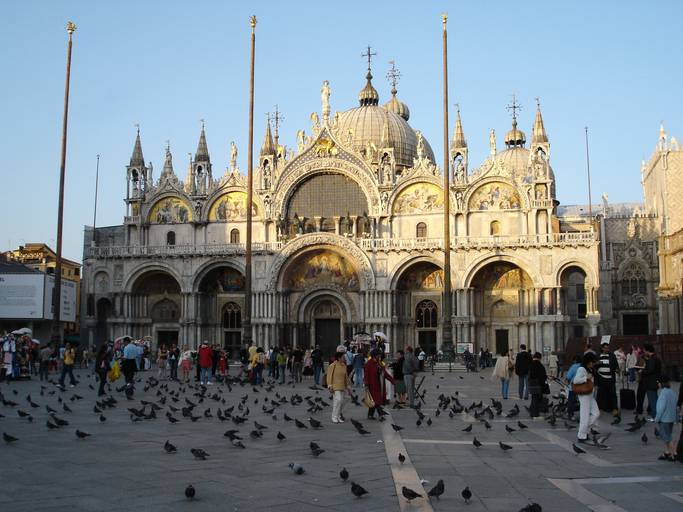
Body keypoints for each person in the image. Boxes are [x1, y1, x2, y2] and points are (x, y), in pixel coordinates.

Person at [574, 352, 600, 444]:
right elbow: (576, 380)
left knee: (596, 413)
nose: (593, 363)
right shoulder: (582, 369)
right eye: (592, 362)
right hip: (584, 395)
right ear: (588, 361)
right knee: (584, 416)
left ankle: (584, 430)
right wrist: (586, 378)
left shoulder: (590, 368)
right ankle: (581, 435)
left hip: (590, 394)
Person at [364, 348, 395, 419]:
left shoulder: (379, 363)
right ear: (375, 355)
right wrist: (366, 384)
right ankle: (381, 415)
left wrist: (392, 380)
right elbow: (366, 375)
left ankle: (370, 415)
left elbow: (385, 374)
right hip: (372, 385)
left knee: (374, 400)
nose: (379, 357)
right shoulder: (369, 364)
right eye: (378, 355)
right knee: (376, 401)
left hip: (380, 385)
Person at [596, 341, 621, 424]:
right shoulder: (598, 356)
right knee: (600, 393)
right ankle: (599, 407)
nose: (607, 349)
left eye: (608, 348)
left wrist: (617, 370)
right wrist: (597, 363)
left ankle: (614, 409)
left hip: (610, 378)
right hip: (601, 378)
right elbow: (593, 365)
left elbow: (616, 365)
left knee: (613, 393)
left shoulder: (612, 356)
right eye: (605, 348)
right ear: (602, 348)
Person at [654, 375, 678, 461]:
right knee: (668, 435)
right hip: (671, 418)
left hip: (664, 419)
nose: (657, 384)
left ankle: (674, 453)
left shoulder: (663, 393)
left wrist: (657, 418)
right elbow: (675, 405)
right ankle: (667, 452)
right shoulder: (672, 392)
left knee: (667, 437)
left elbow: (661, 408)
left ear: (661, 383)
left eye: (658, 382)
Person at [636, 343, 661, 420]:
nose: (644, 352)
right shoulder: (656, 358)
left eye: (644, 350)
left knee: (652, 400)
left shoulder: (652, 359)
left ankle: (655, 416)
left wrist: (642, 371)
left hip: (650, 382)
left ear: (647, 350)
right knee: (654, 399)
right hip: (654, 381)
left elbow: (650, 370)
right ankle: (657, 415)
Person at [326, 346, 351, 423]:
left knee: (345, 399)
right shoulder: (333, 365)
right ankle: (334, 416)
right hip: (335, 386)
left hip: (343, 386)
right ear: (339, 358)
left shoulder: (344, 365)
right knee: (338, 400)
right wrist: (329, 385)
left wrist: (348, 387)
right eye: (343, 357)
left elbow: (346, 377)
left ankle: (338, 415)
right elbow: (329, 376)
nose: (344, 358)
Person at [528, 352, 548, 418]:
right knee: (536, 399)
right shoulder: (539, 365)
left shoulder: (530, 364)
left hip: (531, 383)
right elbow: (543, 376)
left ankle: (532, 411)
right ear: (539, 358)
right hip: (538, 384)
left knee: (534, 397)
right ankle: (535, 414)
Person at [565, 355, 582, 419]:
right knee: (582, 401)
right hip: (582, 387)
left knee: (571, 400)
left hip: (573, 386)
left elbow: (568, 376)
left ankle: (570, 414)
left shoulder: (573, 367)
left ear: (574, 360)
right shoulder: (583, 366)